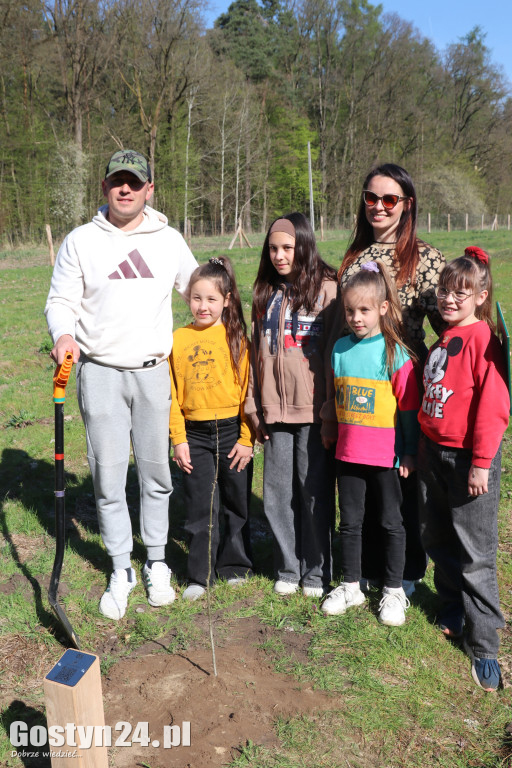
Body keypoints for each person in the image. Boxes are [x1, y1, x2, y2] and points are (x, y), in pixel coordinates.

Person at [45, 148, 198, 620]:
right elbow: (60, 301)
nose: (125, 189)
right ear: (105, 187)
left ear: (150, 188)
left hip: (154, 372)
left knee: (156, 474)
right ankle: (120, 567)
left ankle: (155, 561)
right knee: (108, 476)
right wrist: (64, 334)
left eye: (134, 181)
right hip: (101, 372)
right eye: (117, 181)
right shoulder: (80, 241)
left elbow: (198, 288)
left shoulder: (169, 239)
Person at [338, 163, 446, 596]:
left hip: (403, 385)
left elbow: (450, 326)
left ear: (407, 204)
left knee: (400, 484)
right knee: (362, 485)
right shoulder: (355, 256)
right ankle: (363, 569)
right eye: (371, 198)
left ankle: (406, 573)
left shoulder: (425, 259)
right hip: (357, 385)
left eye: (389, 199)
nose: (378, 207)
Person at [418, 247, 509, 691]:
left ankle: (485, 644)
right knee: (439, 536)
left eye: (461, 292)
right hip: (434, 454)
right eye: (443, 291)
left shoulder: (482, 340)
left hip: (467, 460)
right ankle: (453, 608)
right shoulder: (445, 338)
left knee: (476, 552)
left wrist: (480, 463)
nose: (449, 299)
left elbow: (493, 408)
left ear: (481, 296)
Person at [245, 213, 341, 597]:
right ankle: (288, 567)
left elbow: (335, 353)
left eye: (287, 247)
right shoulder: (265, 293)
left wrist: (331, 408)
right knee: (277, 494)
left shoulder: (329, 291)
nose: (280, 256)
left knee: (312, 491)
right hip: (273, 412)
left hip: (314, 412)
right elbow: (253, 353)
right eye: (273, 248)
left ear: (303, 245)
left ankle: (317, 572)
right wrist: (253, 405)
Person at [321, 261, 420, 625]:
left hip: (387, 458)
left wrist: (409, 451)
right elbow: (334, 397)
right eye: (349, 310)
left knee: (391, 522)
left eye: (364, 310)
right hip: (348, 455)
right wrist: (330, 428)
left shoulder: (397, 355)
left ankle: (394, 590)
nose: (356, 318)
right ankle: (350, 584)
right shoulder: (340, 350)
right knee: (350, 522)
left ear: (383, 308)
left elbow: (408, 411)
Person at [170, 256, 254, 600]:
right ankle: (198, 575)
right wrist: (178, 439)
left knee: (235, 501)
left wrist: (247, 438)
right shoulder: (177, 339)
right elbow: (171, 395)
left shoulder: (237, 338)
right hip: (195, 435)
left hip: (233, 432)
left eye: (211, 299)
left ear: (227, 300)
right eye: (196, 298)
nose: (203, 306)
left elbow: (249, 391)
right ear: (187, 297)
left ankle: (234, 566)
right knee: (200, 505)